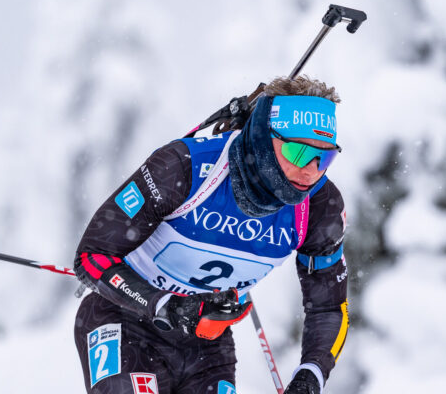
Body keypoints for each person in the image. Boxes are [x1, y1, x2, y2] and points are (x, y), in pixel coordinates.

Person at [73, 76, 349, 394]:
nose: (311, 171)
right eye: (298, 153)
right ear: (264, 137)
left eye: (324, 157)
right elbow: (91, 257)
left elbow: (329, 307)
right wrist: (166, 304)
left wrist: (309, 377)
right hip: (126, 319)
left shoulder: (320, 207)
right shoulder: (185, 166)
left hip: (206, 347)